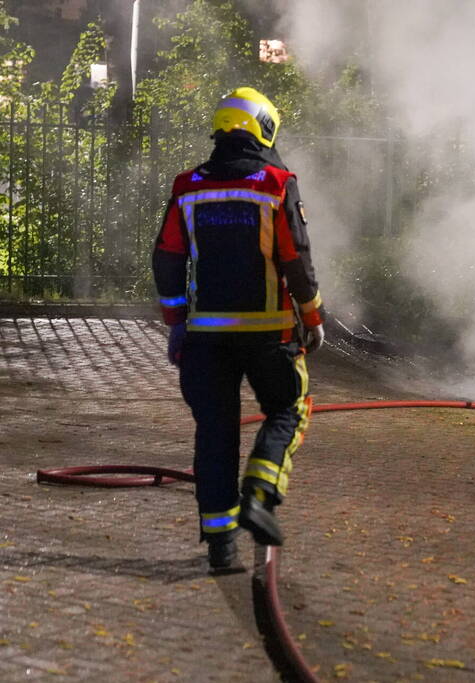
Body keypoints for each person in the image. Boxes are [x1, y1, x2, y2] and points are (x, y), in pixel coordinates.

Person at [152, 87, 326, 573]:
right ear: (264, 129)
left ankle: (221, 547)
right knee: (289, 408)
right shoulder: (275, 182)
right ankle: (260, 491)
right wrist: (312, 317)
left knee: (215, 433)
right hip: (269, 335)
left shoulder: (187, 187)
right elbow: (296, 259)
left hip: (206, 339)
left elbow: (167, 259)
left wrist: (176, 322)